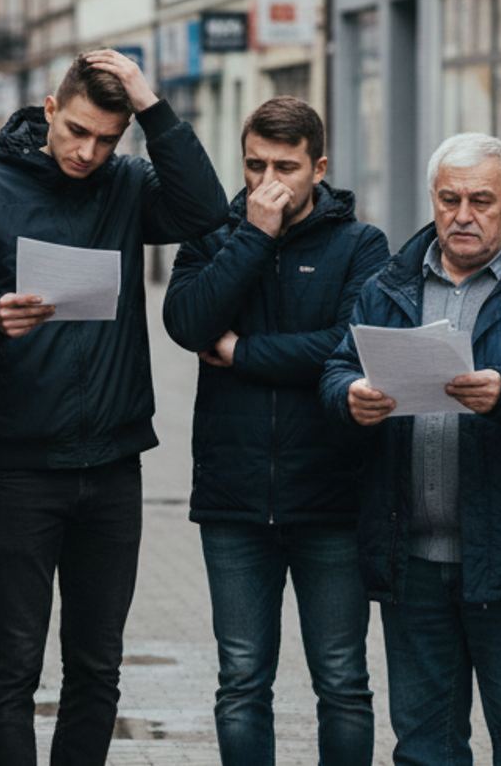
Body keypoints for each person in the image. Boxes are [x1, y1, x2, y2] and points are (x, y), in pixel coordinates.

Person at [0, 50, 227, 764]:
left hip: (112, 460)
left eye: (106, 138)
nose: (87, 152)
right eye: (76, 132)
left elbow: (206, 211)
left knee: (98, 668)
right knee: (13, 663)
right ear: (48, 107)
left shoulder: (125, 184)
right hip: (18, 465)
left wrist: (150, 105)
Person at [320, 132, 501, 765]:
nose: (463, 215)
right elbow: (338, 366)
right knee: (424, 749)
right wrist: (351, 397)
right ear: (433, 198)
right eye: (449, 199)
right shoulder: (391, 281)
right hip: (413, 559)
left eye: (481, 200)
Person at [162, 96, 387, 765]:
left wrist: (241, 355)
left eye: (285, 167)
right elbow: (187, 325)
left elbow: (349, 346)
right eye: (255, 164)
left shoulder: (360, 245)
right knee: (240, 683)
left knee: (344, 682)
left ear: (318, 166)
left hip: (332, 496)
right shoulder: (214, 233)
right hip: (233, 496)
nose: (268, 182)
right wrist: (253, 238)